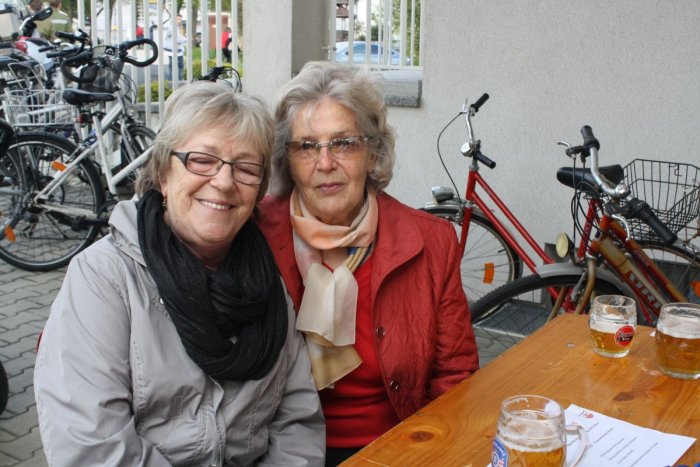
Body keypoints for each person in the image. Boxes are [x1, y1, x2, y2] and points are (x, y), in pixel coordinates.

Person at [34, 81, 326, 466]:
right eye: (201, 160)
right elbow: (92, 446)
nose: (224, 182)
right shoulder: (104, 278)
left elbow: (298, 423)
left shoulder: (264, 281)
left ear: (258, 192)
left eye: (245, 168)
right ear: (163, 175)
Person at [257, 61, 479, 466]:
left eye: (344, 143)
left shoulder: (431, 241)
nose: (325, 163)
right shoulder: (254, 236)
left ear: (373, 152)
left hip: (398, 446)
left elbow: (454, 376)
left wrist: (424, 453)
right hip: (278, 452)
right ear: (286, 159)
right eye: (306, 146)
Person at [163, 14, 186, 81]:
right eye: (177, 19)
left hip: (179, 50)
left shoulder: (179, 28)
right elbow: (178, 38)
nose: (179, 21)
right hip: (171, 51)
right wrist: (185, 40)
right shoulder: (171, 28)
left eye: (180, 19)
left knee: (180, 66)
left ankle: (179, 81)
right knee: (173, 67)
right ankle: (172, 82)